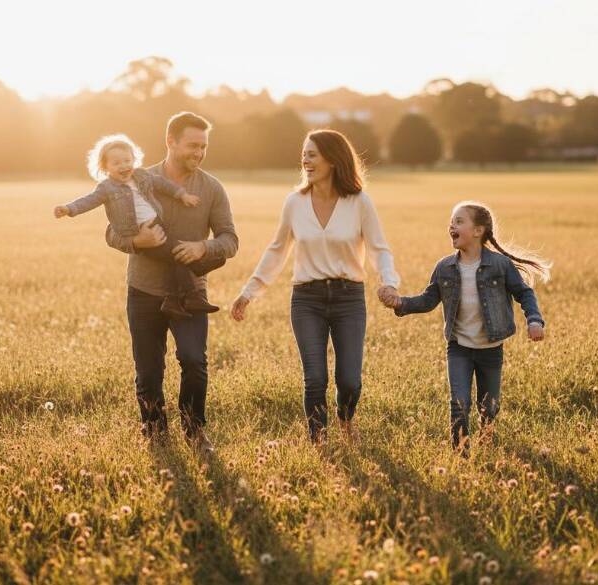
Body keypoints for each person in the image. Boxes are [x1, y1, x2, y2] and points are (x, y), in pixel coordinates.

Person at [231, 129, 400, 444]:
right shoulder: (294, 202)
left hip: (349, 299)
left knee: (350, 380)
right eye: (303, 155)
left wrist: (389, 283)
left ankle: (346, 421)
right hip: (307, 300)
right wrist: (249, 292)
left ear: (333, 160)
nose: (305, 161)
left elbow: (379, 248)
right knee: (315, 378)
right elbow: (277, 250)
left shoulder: (359, 202)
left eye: (312, 155)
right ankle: (318, 439)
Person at [105, 113, 238, 454]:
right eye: (193, 145)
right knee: (149, 371)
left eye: (203, 146)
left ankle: (195, 431)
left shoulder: (212, 188)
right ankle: (154, 432)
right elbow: (111, 233)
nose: (199, 152)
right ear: (170, 142)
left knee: (194, 360)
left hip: (191, 293)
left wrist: (203, 247)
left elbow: (230, 239)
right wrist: (137, 242)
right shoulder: (136, 179)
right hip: (144, 291)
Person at [382, 201, 550, 453]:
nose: (452, 226)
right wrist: (400, 303)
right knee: (459, 404)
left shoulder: (500, 265)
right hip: (458, 347)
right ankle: (460, 453)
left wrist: (534, 320)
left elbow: (524, 293)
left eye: (459, 221)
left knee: (489, 406)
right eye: (451, 221)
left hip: (491, 348)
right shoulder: (444, 268)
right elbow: (428, 300)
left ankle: (486, 437)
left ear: (478, 231)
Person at [54, 133, 224, 319]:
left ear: (134, 160)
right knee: (178, 254)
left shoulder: (142, 176)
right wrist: (69, 209)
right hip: (141, 233)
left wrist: (182, 194)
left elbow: (162, 184)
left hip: (158, 225)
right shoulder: (107, 188)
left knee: (174, 257)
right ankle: (195, 283)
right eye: (116, 163)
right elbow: (89, 201)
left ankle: (174, 300)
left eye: (127, 160)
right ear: (105, 167)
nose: (124, 166)